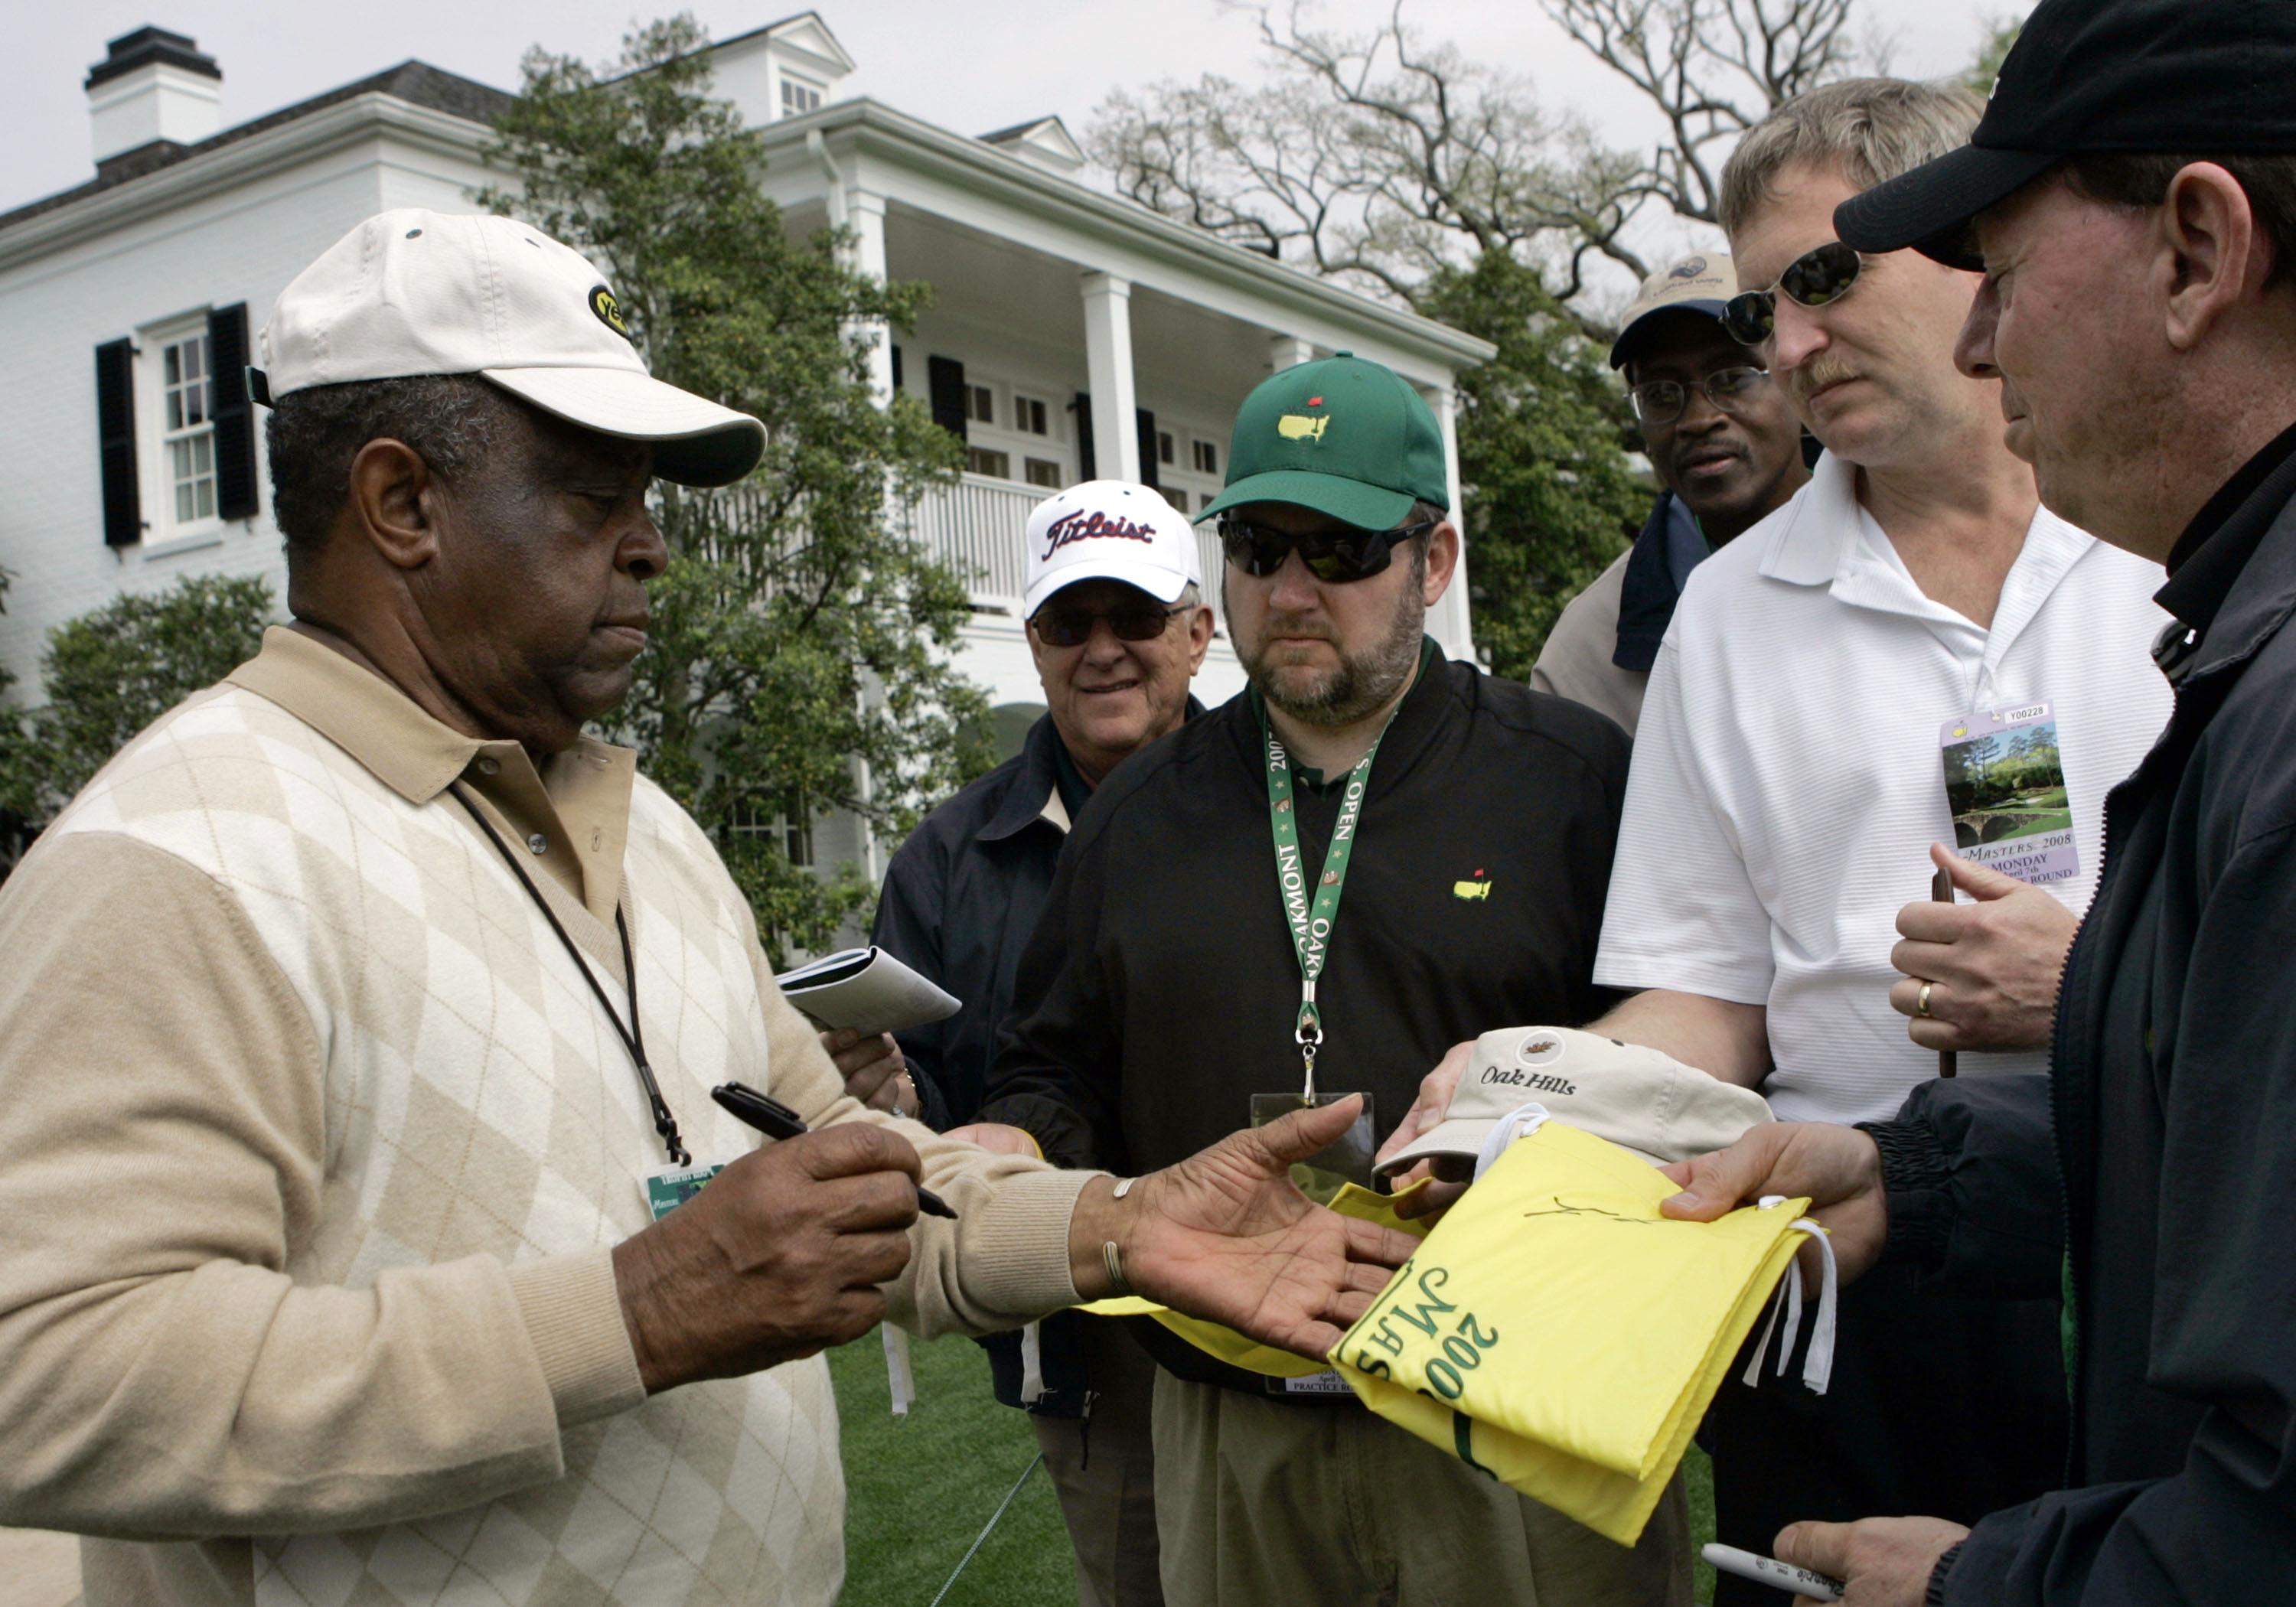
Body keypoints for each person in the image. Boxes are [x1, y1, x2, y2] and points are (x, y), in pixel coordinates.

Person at [0, 209, 1417, 1607]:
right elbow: (47, 1375)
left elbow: (862, 1168)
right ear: (401, 504)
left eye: (646, 503)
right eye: (588, 500)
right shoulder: (184, 851)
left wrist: (1120, 1227)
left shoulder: (649, 830)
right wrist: (634, 1312)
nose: (650, 548)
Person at [1386, 80, 2173, 1607]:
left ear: (1973, 239)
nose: (1785, 349)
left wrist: (2096, 984)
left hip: (2163, 1249)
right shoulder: (1731, 623)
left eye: (1822, 280)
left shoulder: (2176, 532)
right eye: (1762, 310)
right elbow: (1710, 992)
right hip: (1850, 1267)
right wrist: (1534, 1099)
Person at [1659, 1, 2296, 1599]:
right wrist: (1898, 1169)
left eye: (2002, 274)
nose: (1989, 338)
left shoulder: (2241, 634)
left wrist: (1988, 1593)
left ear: (2199, 250)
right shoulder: (2235, 598)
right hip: (1907, 1274)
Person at [974, 354, 1686, 1605]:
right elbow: (1053, 1068)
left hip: (1508, 1403)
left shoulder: (1570, 781)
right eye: (1257, 546)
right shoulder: (1138, 813)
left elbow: (1677, 1061)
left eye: (1343, 549)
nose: (1292, 589)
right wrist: (1030, 1163)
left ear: (1435, 561)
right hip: (1235, 1420)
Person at [862, 481, 1215, 1607]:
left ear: (1199, 632)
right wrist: (887, 1101)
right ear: (1034, 642)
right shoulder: (946, 859)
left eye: (1136, 618)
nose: (1103, 651)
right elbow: (916, 1103)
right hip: (1089, 1345)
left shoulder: (1285, 806)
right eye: (1072, 623)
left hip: (1300, 1308)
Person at [1531, 252, 1810, 733]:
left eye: (1733, 378)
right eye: (1661, 393)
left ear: (1793, 375)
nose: (1700, 418)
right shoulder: (1589, 651)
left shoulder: (1915, 538)